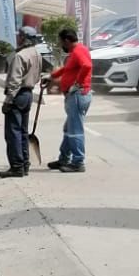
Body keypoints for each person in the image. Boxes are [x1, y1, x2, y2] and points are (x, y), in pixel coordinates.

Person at [46, 27, 92, 172]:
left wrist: (77, 83)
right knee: (68, 129)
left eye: (61, 42)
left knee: (75, 130)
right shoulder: (75, 52)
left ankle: (78, 162)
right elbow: (66, 69)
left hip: (78, 95)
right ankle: (64, 159)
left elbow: (87, 65)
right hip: (74, 95)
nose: (61, 45)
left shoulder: (78, 51)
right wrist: (51, 77)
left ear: (66, 40)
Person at [0, 26, 41, 178]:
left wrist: (8, 101)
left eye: (19, 36)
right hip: (28, 94)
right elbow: (37, 76)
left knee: (13, 133)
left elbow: (14, 81)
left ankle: (16, 167)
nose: (18, 38)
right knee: (23, 132)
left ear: (23, 38)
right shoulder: (36, 53)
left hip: (18, 95)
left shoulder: (20, 56)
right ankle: (24, 164)